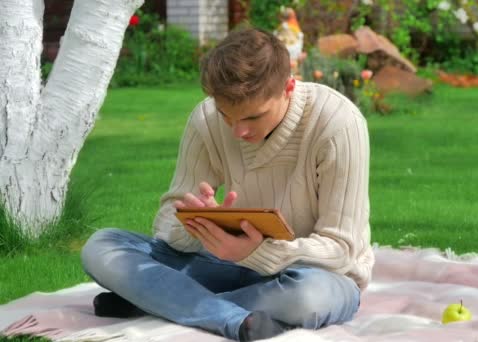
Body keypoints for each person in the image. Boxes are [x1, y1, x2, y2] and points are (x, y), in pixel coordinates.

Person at [81, 27, 374, 342]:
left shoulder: (337, 123)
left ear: (289, 87)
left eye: (252, 118)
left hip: (312, 275)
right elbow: (167, 225)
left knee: (308, 298)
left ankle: (157, 300)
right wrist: (196, 224)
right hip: (225, 264)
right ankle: (228, 316)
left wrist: (258, 252)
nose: (237, 132)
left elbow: (342, 249)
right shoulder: (206, 119)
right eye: (227, 116)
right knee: (103, 246)